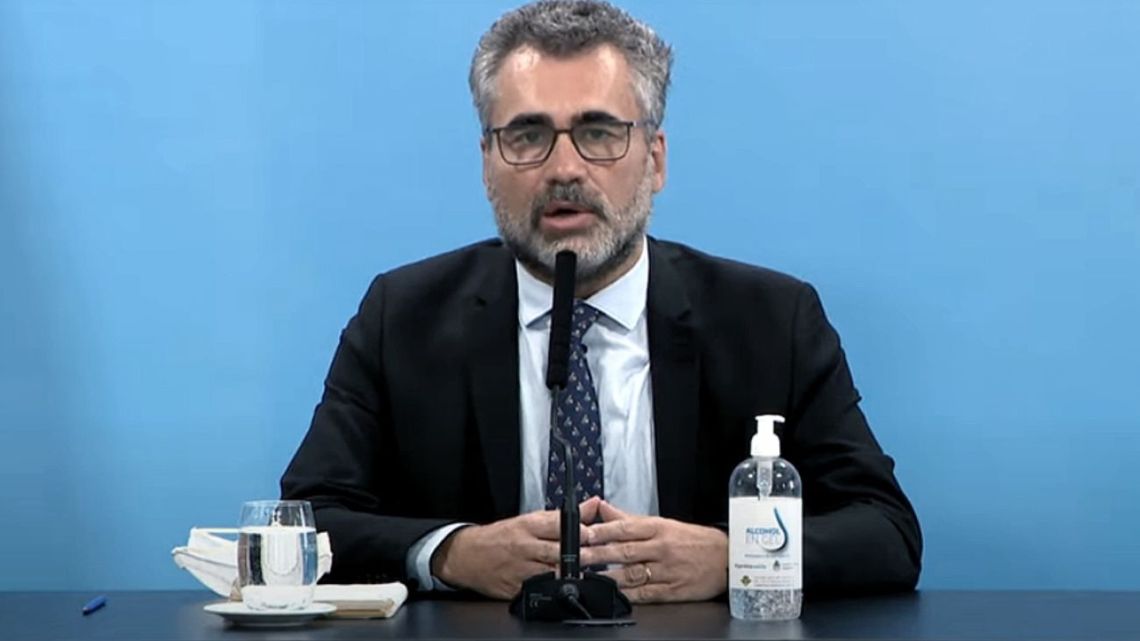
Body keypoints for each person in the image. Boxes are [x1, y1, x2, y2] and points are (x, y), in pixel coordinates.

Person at [281, 0, 921, 603]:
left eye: (598, 132)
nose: (564, 168)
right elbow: (305, 523)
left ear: (655, 160)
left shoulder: (771, 320)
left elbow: (886, 531)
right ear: (487, 162)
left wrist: (734, 558)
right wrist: (453, 552)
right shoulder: (403, 318)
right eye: (527, 136)